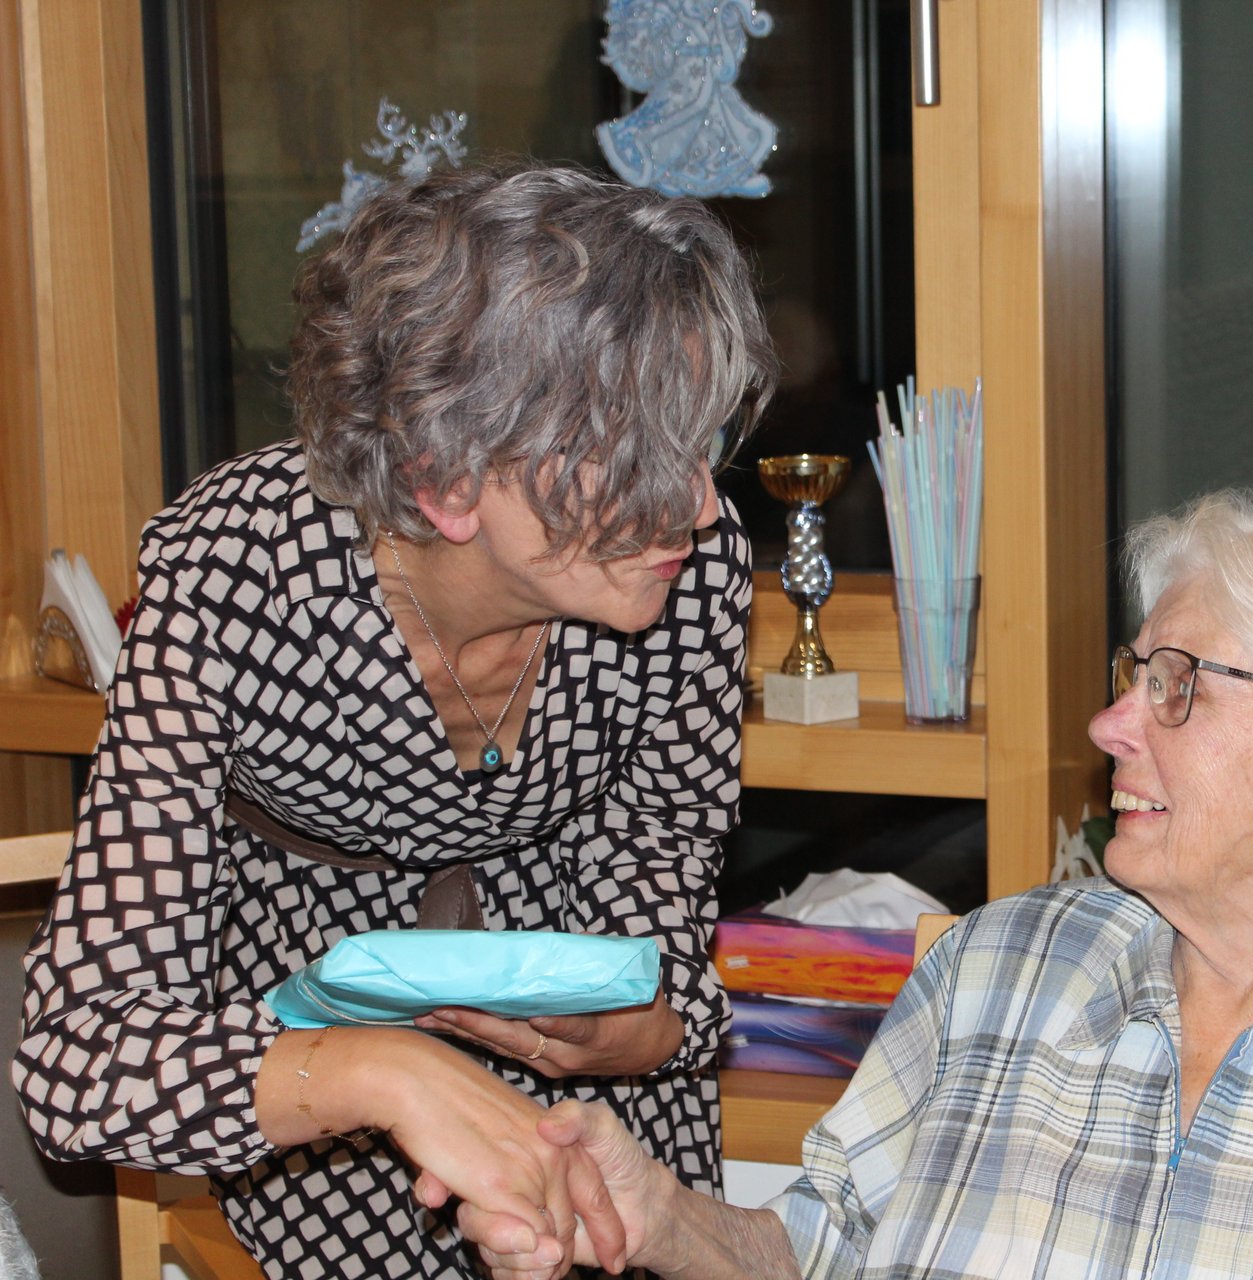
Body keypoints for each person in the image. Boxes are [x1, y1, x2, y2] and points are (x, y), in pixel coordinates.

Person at [454, 492, 1253, 1280]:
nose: (1111, 723)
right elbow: (819, 1247)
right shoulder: (996, 966)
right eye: (1135, 673)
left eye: (1179, 685)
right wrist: (657, 1213)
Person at [12, 159, 776, 1277]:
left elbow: (657, 860)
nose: (701, 504)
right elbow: (77, 1059)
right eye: (640, 455)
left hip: (583, 1051)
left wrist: (645, 1022)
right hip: (307, 1054)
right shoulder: (237, 573)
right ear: (444, 478)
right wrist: (382, 1070)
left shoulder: (690, 572)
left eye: (698, 443)